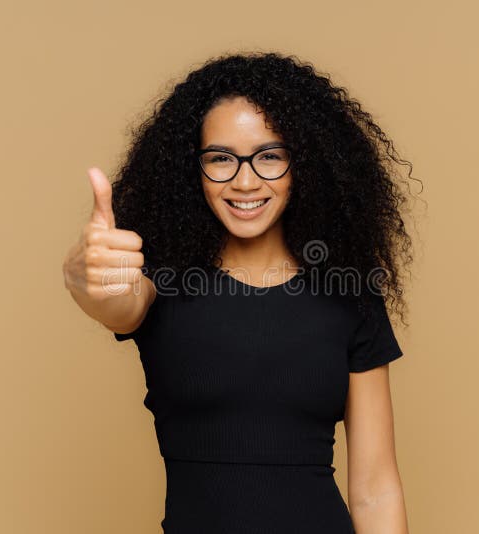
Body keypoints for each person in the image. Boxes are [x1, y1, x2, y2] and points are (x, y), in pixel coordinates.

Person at [62, 51, 417, 534]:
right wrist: (87, 277)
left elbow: (375, 486)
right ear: (194, 169)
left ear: (303, 164)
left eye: (269, 156)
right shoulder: (163, 280)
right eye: (221, 159)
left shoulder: (350, 290)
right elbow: (119, 304)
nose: (245, 180)